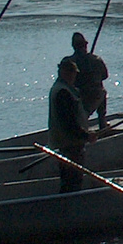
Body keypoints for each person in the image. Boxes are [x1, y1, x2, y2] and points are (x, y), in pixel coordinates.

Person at [49, 58, 98, 192]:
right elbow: (69, 123)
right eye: (71, 73)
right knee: (73, 180)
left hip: (67, 143)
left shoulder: (62, 89)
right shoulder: (63, 92)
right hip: (70, 144)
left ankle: (66, 203)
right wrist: (86, 135)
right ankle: (69, 205)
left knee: (69, 179)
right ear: (64, 72)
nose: (74, 76)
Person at [65, 31, 110, 127]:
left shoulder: (68, 61)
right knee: (102, 91)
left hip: (77, 95)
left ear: (73, 46)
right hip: (89, 96)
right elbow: (105, 76)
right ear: (85, 45)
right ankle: (102, 123)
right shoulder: (96, 60)